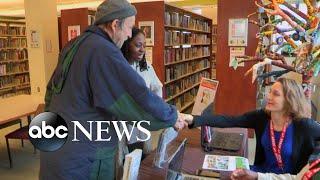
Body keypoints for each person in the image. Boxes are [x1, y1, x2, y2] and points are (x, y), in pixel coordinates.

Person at [42, 0, 188, 179]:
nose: (129, 35)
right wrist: (171, 116)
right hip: (85, 157)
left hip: (56, 148)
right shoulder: (104, 51)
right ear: (115, 24)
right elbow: (136, 97)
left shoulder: (72, 45)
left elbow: (50, 95)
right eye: (129, 27)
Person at [185, 78, 320, 175]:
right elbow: (230, 120)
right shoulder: (261, 117)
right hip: (260, 174)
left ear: (290, 100)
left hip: (288, 178)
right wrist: (193, 119)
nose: (268, 97)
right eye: (270, 92)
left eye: (276, 94)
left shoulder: (304, 126)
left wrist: (312, 164)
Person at [120, 27, 163, 154]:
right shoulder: (118, 67)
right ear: (127, 45)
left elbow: (157, 88)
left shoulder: (147, 67)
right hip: (122, 125)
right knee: (123, 161)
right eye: (138, 45)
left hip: (142, 124)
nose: (143, 49)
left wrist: (154, 108)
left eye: (144, 45)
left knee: (142, 156)